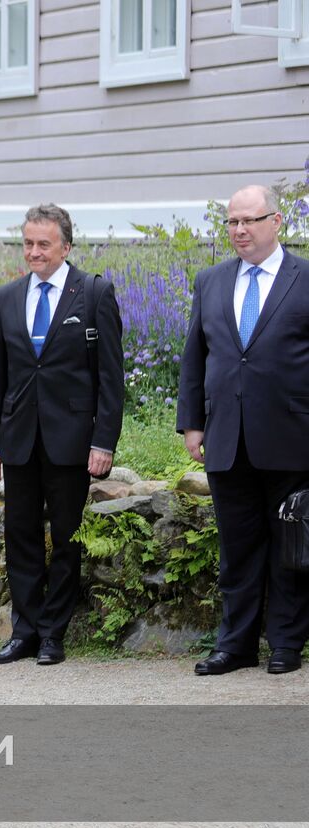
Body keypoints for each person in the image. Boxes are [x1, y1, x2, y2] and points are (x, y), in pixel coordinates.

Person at [0, 204, 124, 667]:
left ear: (65, 245)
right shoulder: (6, 297)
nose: (34, 252)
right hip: (19, 437)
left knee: (66, 538)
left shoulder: (94, 293)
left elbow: (110, 379)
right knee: (19, 535)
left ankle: (52, 634)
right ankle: (24, 631)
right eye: (27, 243)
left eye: (44, 244)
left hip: (72, 440)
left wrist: (104, 442)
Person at [177, 184, 309, 676]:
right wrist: (191, 422)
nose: (239, 230)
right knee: (236, 550)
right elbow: (195, 358)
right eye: (232, 222)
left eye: (250, 221)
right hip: (227, 437)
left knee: (288, 548)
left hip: (292, 436)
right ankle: (234, 646)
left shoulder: (304, 278)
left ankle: (285, 645)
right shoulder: (210, 280)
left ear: (277, 222)